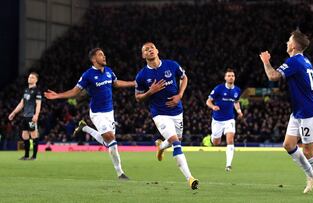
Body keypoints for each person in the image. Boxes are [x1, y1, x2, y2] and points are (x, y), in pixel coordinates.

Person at [259, 30, 313, 196]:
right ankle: (311, 175)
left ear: (293, 46)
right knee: (289, 145)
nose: (287, 43)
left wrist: (266, 61)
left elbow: (272, 76)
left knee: (308, 151)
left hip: (310, 112)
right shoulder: (306, 61)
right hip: (299, 111)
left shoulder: (293, 61)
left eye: (288, 40)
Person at [44, 48, 134, 180]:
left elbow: (116, 83)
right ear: (93, 59)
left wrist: (133, 83)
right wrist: (58, 95)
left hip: (110, 112)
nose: (104, 56)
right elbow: (75, 92)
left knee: (107, 142)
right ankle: (120, 173)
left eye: (103, 54)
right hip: (97, 113)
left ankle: (84, 127)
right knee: (112, 141)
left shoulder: (109, 71)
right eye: (100, 55)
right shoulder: (88, 75)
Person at [135, 42, 199, 190]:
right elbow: (137, 97)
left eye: (152, 48)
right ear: (143, 55)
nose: (150, 50)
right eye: (146, 49)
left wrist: (180, 95)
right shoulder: (142, 76)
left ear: (157, 50)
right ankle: (190, 178)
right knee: (177, 143)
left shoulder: (172, 65)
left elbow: (184, 78)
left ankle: (161, 146)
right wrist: (150, 92)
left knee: (175, 140)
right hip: (160, 114)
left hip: (177, 111)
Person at [206, 68, 243, 172]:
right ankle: (212, 138)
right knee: (216, 142)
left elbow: (236, 102)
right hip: (217, 120)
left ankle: (228, 165)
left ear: (234, 78)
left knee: (230, 140)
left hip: (230, 119)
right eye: (229, 76)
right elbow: (208, 101)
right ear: (225, 78)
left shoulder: (237, 90)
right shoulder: (219, 89)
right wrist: (213, 107)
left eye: (233, 75)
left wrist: (239, 111)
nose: (231, 77)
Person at [8, 72, 42, 160]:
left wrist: (36, 115)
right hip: (25, 116)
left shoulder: (37, 91)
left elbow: (38, 104)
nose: (29, 78)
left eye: (32, 77)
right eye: (29, 77)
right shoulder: (26, 90)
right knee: (25, 135)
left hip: (32, 116)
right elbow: (21, 103)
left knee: (34, 135)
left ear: (36, 80)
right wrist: (14, 113)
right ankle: (26, 156)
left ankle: (34, 156)